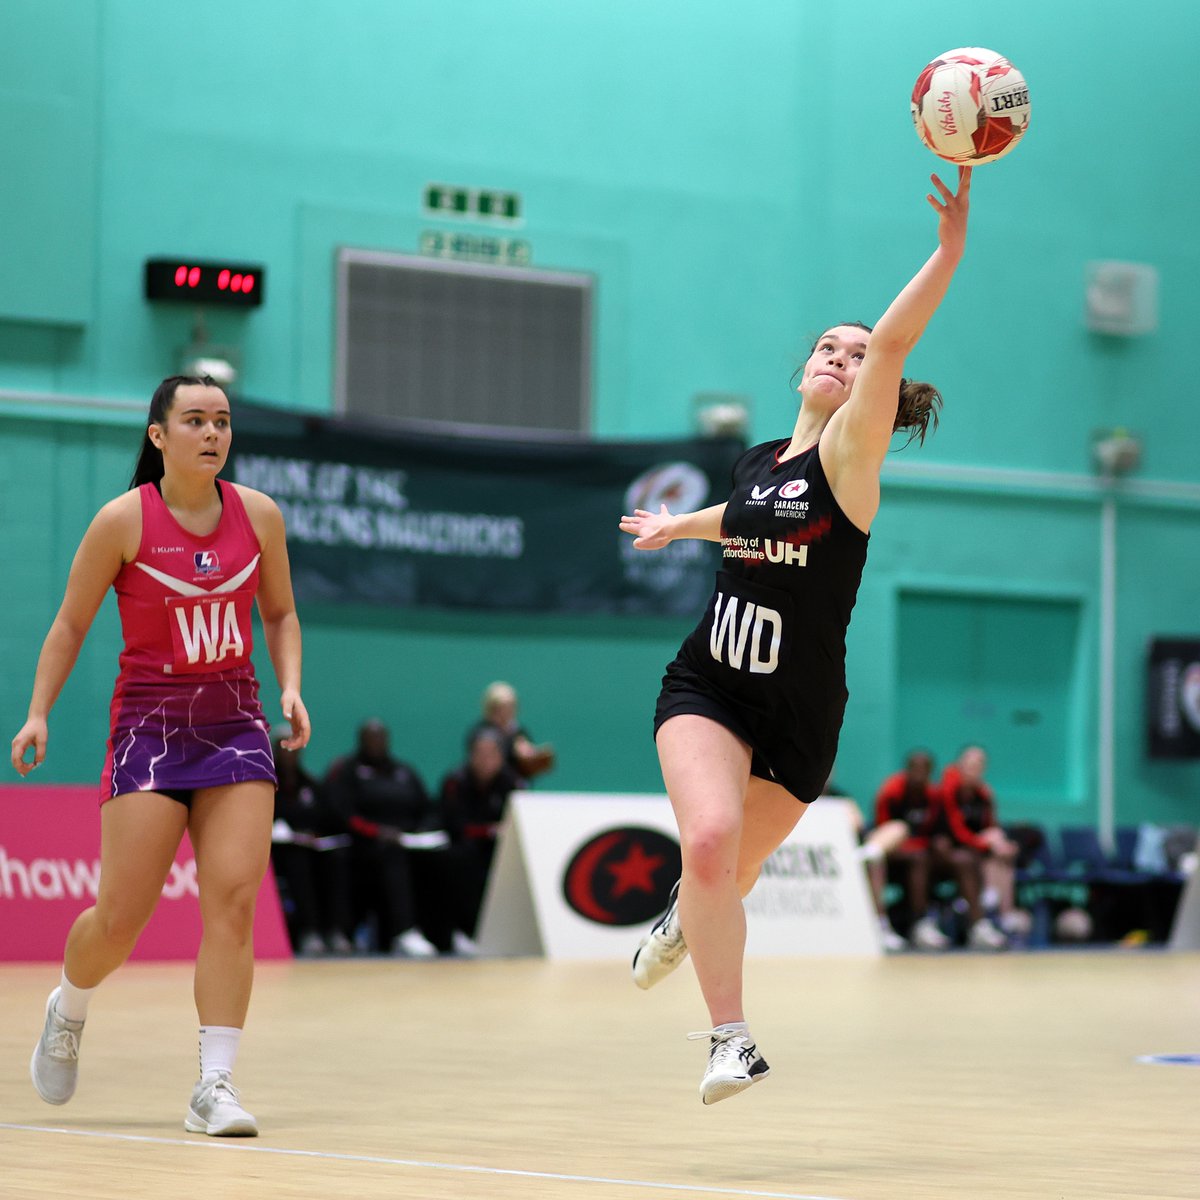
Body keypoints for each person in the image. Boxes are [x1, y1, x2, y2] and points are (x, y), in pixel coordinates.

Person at [621, 169, 973, 1104]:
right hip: (708, 682)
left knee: (726, 878)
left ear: (877, 392)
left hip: (802, 710)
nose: (840, 356)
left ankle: (677, 922)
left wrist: (947, 251)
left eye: (857, 356)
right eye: (827, 346)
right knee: (707, 845)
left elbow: (898, 337)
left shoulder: (852, 458)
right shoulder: (755, 462)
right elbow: (744, 513)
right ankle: (730, 1040)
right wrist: (674, 528)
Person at [9, 374, 310, 1137]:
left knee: (233, 901)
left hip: (237, 727)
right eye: (196, 421)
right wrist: (38, 712)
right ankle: (68, 1006)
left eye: (223, 421)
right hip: (149, 733)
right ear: (158, 435)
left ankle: (214, 1085)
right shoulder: (122, 522)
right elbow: (71, 624)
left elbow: (278, 612)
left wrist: (291, 690)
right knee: (121, 919)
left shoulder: (261, 516)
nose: (213, 433)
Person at [326, 719, 464, 956]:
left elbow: (428, 807)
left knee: (447, 857)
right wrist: (376, 832)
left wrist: (422, 830)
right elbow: (342, 813)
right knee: (393, 856)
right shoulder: (347, 770)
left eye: (381, 738)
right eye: (371, 738)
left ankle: (449, 933)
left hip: (409, 840)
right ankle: (404, 931)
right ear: (361, 741)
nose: (376, 743)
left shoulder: (404, 771)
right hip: (366, 845)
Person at [269, 726, 354, 957]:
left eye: (294, 747)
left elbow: (325, 817)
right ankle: (309, 930)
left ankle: (335, 929)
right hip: (278, 852)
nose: (289, 753)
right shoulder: (266, 785)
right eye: (284, 747)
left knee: (336, 860)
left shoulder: (310, 785)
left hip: (313, 847)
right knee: (299, 862)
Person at [439, 725, 525, 936]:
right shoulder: (456, 781)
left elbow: (520, 817)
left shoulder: (512, 781)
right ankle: (465, 931)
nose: (485, 760)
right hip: (464, 845)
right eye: (480, 754)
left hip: (500, 845)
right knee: (461, 860)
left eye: (491, 754)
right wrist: (489, 831)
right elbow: (454, 825)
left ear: (501, 757)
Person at [936, 744, 1016, 943]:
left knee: (1001, 849)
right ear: (960, 764)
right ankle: (984, 908)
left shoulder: (983, 793)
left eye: (980, 764)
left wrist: (998, 842)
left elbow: (990, 825)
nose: (975, 768)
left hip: (973, 848)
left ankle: (1002, 912)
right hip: (948, 849)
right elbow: (957, 831)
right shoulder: (948, 789)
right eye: (970, 764)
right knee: (979, 853)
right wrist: (986, 845)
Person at [871, 749, 946, 951]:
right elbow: (882, 831)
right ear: (907, 769)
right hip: (889, 852)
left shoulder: (934, 795)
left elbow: (936, 832)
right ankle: (880, 924)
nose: (919, 774)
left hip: (920, 854)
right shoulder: (891, 791)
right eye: (915, 769)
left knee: (932, 858)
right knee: (908, 853)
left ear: (931, 772)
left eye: (924, 770)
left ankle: (922, 923)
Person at [468, 681, 555, 782]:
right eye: (500, 709)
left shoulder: (518, 732)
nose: (505, 713)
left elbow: (526, 754)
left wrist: (529, 756)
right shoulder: (480, 734)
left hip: (513, 787)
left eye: (510, 708)